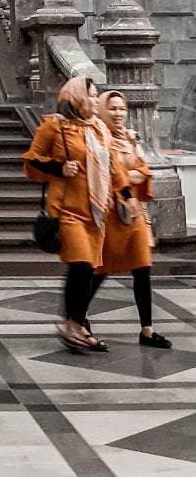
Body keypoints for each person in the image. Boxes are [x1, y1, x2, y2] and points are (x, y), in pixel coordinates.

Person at [24, 74, 130, 352]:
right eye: (92, 95)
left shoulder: (98, 128)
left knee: (88, 269)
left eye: (96, 96)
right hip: (66, 211)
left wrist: (127, 196)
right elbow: (32, 161)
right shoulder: (54, 126)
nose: (96, 100)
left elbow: (114, 167)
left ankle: (79, 326)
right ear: (77, 98)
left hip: (96, 211)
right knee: (82, 263)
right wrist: (58, 168)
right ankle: (74, 324)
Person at [89, 90, 172, 348]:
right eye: (112, 108)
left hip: (134, 212)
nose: (118, 113)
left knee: (142, 268)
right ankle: (77, 316)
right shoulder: (98, 138)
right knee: (100, 270)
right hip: (110, 214)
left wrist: (131, 175)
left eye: (122, 109)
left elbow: (144, 171)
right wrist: (130, 175)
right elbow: (110, 173)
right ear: (103, 110)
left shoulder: (130, 139)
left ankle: (147, 329)